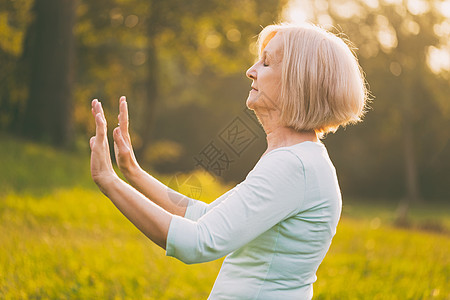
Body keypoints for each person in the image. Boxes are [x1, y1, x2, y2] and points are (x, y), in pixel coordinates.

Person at [89, 23, 368, 300]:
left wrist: (109, 180)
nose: (251, 70)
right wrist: (132, 172)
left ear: (298, 82)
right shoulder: (297, 159)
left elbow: (198, 242)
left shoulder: (295, 166)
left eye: (267, 63)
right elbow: (204, 216)